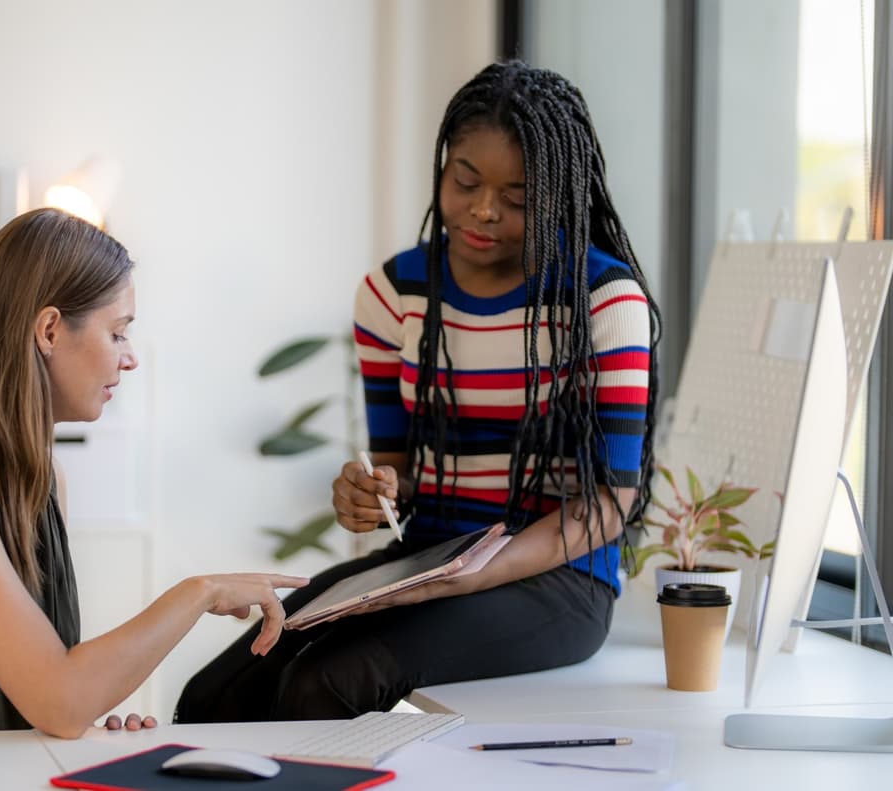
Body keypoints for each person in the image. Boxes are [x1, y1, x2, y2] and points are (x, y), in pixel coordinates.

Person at [174, 61, 661, 722]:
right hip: (427, 560)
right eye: (465, 181)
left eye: (518, 198)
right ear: (443, 169)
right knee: (214, 696)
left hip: (560, 578)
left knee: (329, 682)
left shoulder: (604, 300)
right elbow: (398, 469)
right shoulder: (392, 294)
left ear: (558, 197)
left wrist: (482, 569)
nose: (484, 210)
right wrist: (372, 492)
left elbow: (611, 500)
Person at [0, 208, 307, 737]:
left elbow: (53, 694)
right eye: (118, 333)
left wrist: (89, 711)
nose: (129, 359)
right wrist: (197, 593)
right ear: (49, 330)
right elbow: (59, 701)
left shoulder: (39, 478)